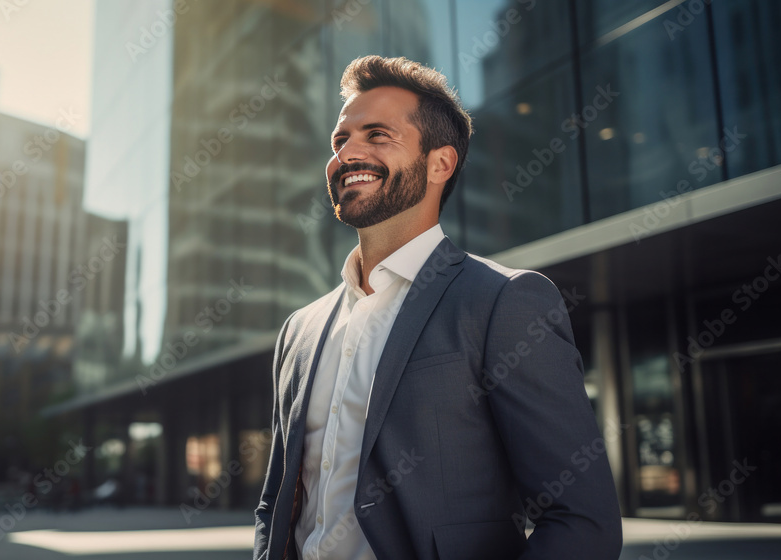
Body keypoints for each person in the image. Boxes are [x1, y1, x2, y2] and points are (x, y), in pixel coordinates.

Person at [253, 55, 622, 560]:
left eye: (378, 135)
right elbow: (275, 506)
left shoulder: (503, 302)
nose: (348, 153)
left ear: (440, 163)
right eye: (341, 140)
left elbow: (582, 522)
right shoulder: (300, 328)